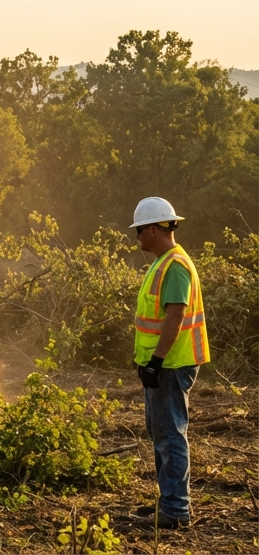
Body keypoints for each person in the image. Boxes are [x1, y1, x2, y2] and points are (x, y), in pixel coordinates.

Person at [131, 197, 209, 530]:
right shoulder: (164, 262)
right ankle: (169, 501)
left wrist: (156, 362)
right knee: (160, 431)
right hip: (163, 364)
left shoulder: (174, 265)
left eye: (139, 231)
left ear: (152, 228)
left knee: (169, 435)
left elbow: (175, 317)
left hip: (171, 365)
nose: (137, 239)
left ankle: (176, 510)